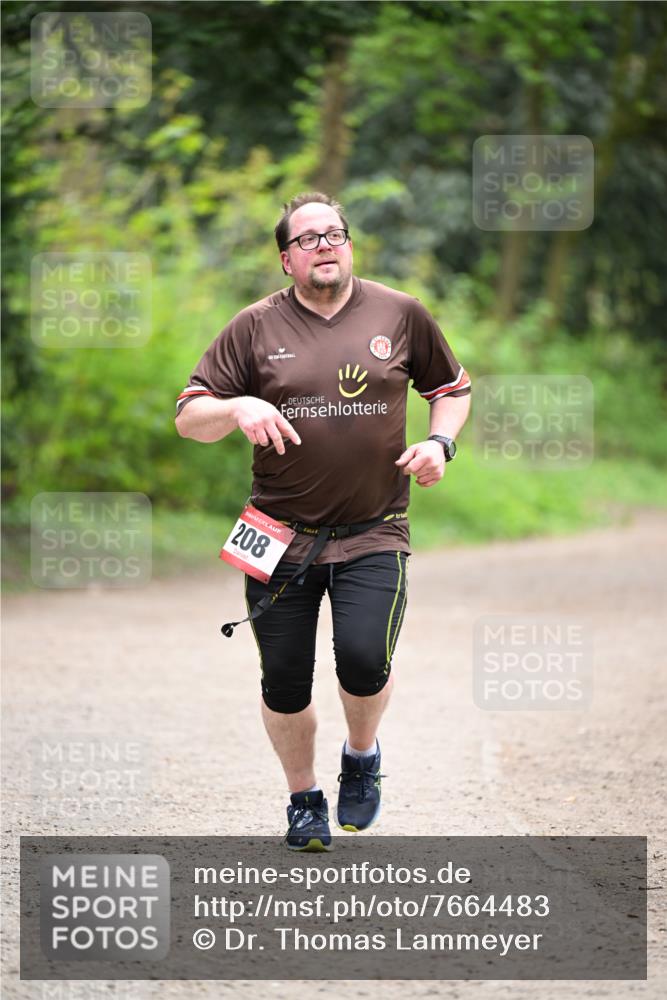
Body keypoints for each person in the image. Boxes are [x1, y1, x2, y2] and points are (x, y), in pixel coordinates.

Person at [175, 192, 471, 851]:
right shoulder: (252, 327)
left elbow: (450, 388)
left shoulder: (400, 313)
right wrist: (237, 408)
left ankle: (361, 756)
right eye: (307, 239)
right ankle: (303, 799)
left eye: (333, 233)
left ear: (349, 245)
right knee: (282, 678)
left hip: (375, 527)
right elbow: (188, 416)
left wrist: (439, 444)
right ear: (286, 260)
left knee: (364, 661)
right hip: (272, 531)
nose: (324, 244)